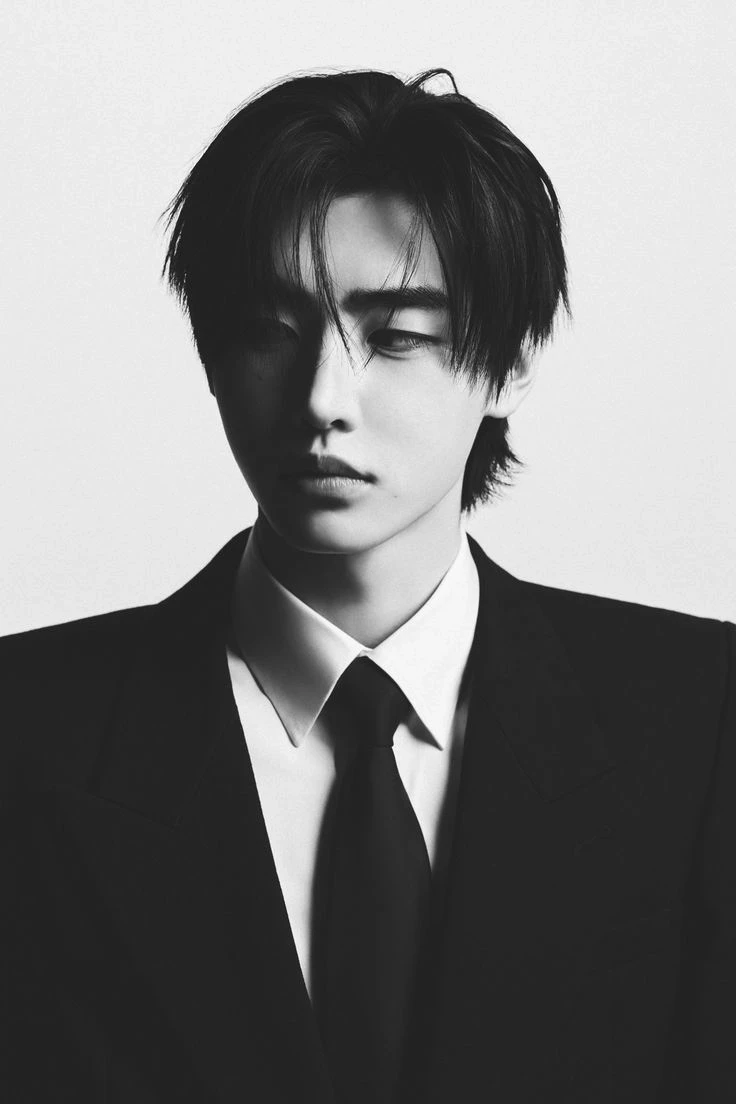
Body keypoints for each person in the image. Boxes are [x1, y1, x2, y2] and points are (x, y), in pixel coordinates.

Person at [1, 66, 734, 1104]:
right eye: (271, 328)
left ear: (513, 359)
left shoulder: (701, 719)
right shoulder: (27, 734)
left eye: (397, 336)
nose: (323, 399)